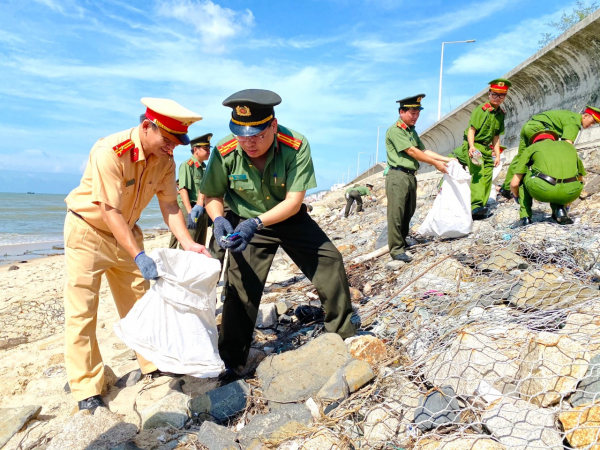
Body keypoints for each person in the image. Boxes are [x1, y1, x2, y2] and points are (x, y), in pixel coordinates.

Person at [63, 98, 211, 412]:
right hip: (88, 232)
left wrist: (188, 243)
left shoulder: (165, 159)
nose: (172, 148)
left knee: (140, 302)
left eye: (176, 143)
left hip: (126, 232)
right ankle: (86, 387)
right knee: (82, 311)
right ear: (147, 127)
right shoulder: (110, 152)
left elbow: (170, 206)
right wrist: (138, 254)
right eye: (167, 140)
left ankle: (151, 363)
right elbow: (109, 209)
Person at [200, 89, 356, 372]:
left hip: (287, 217)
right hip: (246, 223)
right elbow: (212, 196)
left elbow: (295, 201)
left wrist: (256, 222)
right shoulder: (224, 151)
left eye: (257, 135)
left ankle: (342, 336)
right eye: (242, 135)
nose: (249, 143)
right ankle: (232, 362)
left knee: (330, 261)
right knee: (240, 291)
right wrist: (219, 219)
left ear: (273, 125)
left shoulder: (295, 145)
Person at [385, 94, 453, 263]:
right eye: (412, 113)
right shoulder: (396, 130)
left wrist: (446, 159)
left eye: (417, 113)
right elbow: (412, 152)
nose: (416, 117)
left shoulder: (411, 131)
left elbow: (423, 151)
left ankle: (402, 240)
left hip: (409, 176)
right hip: (398, 175)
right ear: (402, 112)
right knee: (396, 213)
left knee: (408, 210)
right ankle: (396, 249)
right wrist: (436, 164)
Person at [500, 105, 600, 198]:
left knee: (521, 157)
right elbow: (567, 148)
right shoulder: (574, 123)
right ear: (585, 115)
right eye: (592, 122)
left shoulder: (570, 115)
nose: (591, 125)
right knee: (547, 154)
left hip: (529, 126)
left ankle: (506, 188)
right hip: (540, 130)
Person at [450, 79, 510, 219]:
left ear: (505, 96)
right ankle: (475, 206)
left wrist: (497, 155)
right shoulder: (482, 110)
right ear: (489, 94)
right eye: (495, 94)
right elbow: (472, 130)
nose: (498, 97)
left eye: (501, 95)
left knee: (488, 175)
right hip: (475, 144)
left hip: (486, 148)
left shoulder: (500, 114)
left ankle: (481, 206)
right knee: (478, 173)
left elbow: (496, 136)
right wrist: (471, 147)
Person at [510, 130, 585, 227]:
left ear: (534, 141)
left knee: (524, 175)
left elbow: (514, 183)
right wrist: (568, 199)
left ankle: (525, 217)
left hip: (544, 191)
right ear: (553, 139)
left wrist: (516, 196)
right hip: (572, 192)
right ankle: (560, 211)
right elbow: (580, 178)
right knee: (558, 176)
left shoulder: (532, 148)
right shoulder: (569, 146)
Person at [169, 133, 213, 249]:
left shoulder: (204, 168)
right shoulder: (187, 165)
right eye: (205, 149)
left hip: (201, 208)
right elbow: (183, 190)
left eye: (209, 149)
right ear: (195, 150)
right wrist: (189, 213)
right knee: (189, 241)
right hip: (189, 206)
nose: (208, 151)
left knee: (200, 242)